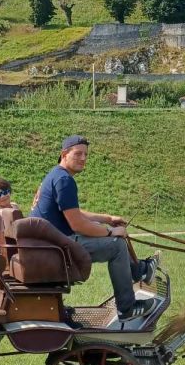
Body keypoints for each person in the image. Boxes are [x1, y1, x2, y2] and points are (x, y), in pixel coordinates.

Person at [31, 135, 159, 327]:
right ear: (64, 154)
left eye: (86, 155)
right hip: (58, 247)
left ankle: (138, 270)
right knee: (116, 245)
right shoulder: (65, 180)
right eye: (78, 154)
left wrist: (107, 219)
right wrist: (110, 232)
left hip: (52, 242)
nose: (83, 158)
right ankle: (128, 307)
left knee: (115, 239)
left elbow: (74, 213)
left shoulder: (55, 175)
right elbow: (77, 225)